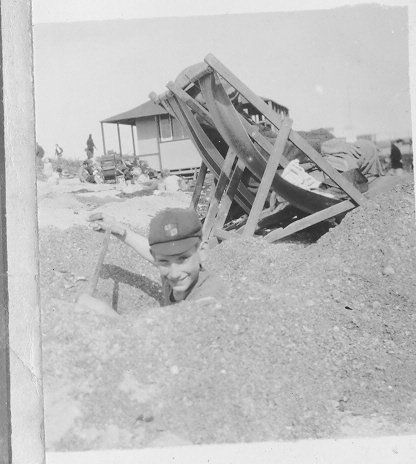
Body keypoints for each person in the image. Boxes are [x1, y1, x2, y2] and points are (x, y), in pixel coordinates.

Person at [89, 207, 225, 305]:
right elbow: (153, 253)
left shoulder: (211, 295)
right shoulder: (180, 275)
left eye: (183, 259)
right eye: (164, 261)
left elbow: (175, 339)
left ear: (202, 251)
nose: (174, 273)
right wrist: (121, 231)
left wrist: (106, 317)